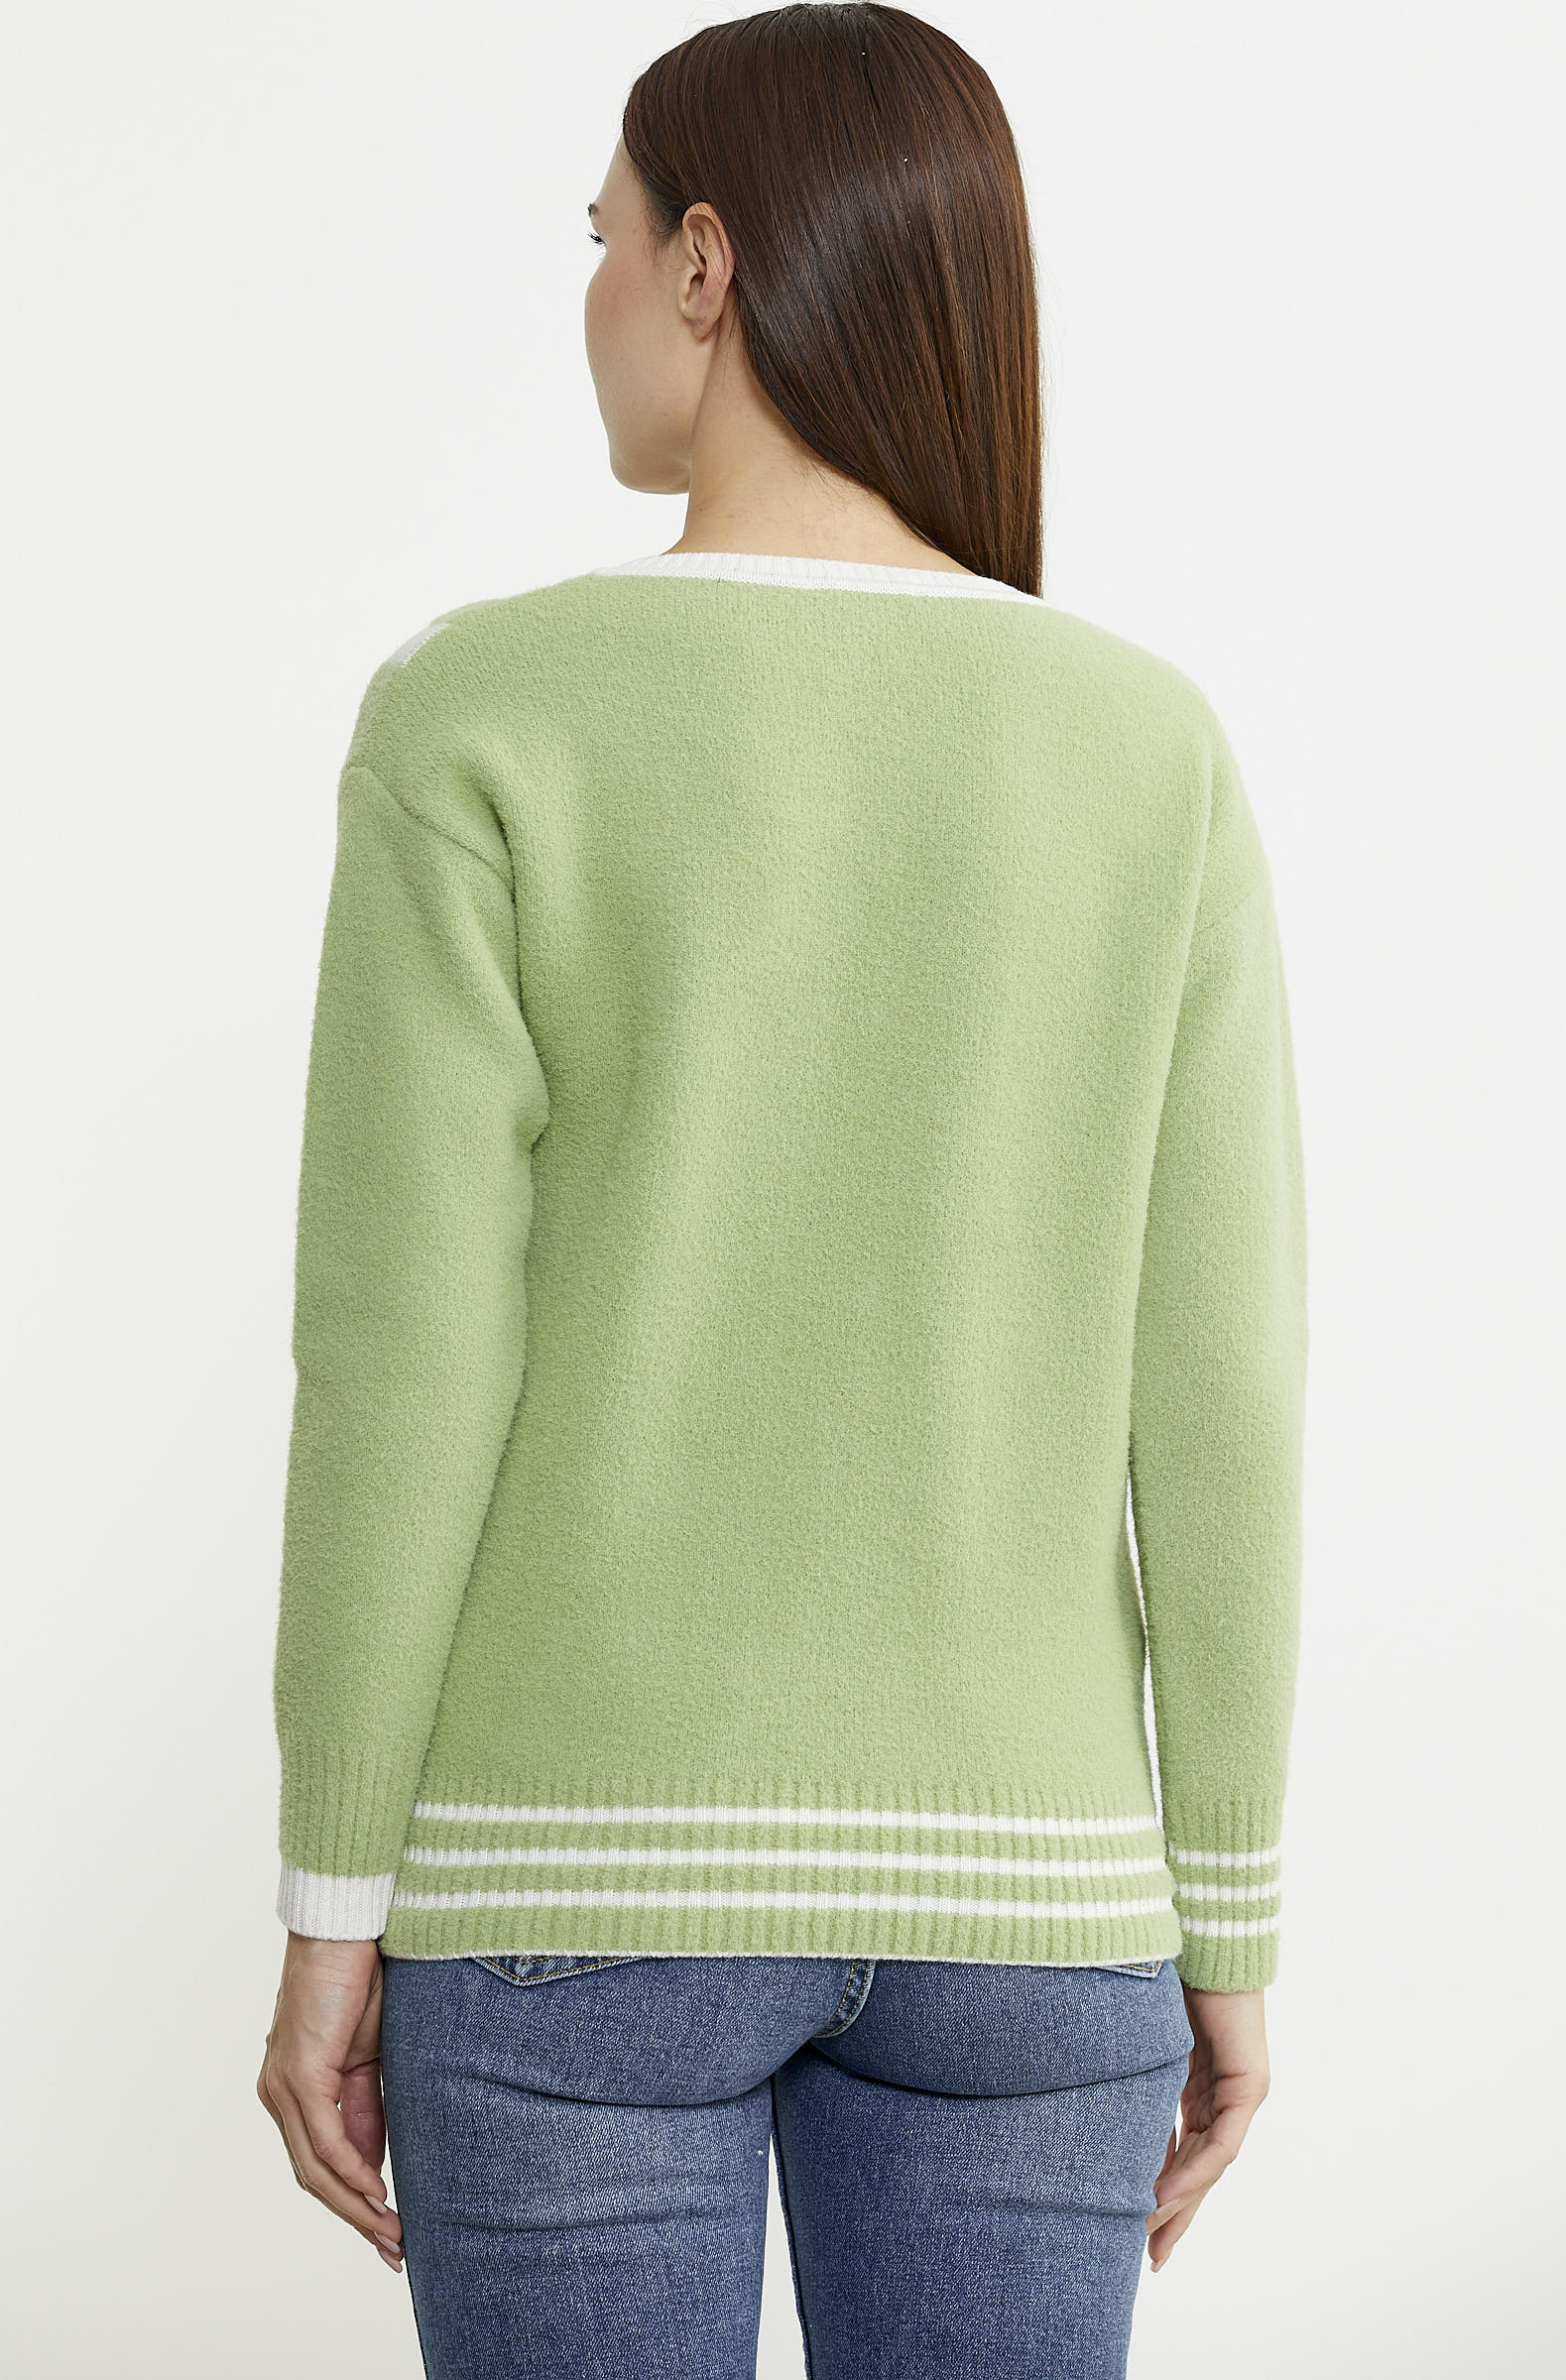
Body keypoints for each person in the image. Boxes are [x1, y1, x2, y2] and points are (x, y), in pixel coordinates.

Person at [256, 7, 1307, 2374]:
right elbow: (1220, 1385)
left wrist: (333, 1903)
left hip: (568, 1893)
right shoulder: (1144, 748)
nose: (591, 291)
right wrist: (1222, 1925)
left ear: (706, 265)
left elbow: (400, 1355)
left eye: (601, 235)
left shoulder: (480, 712)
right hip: (1036, 1904)